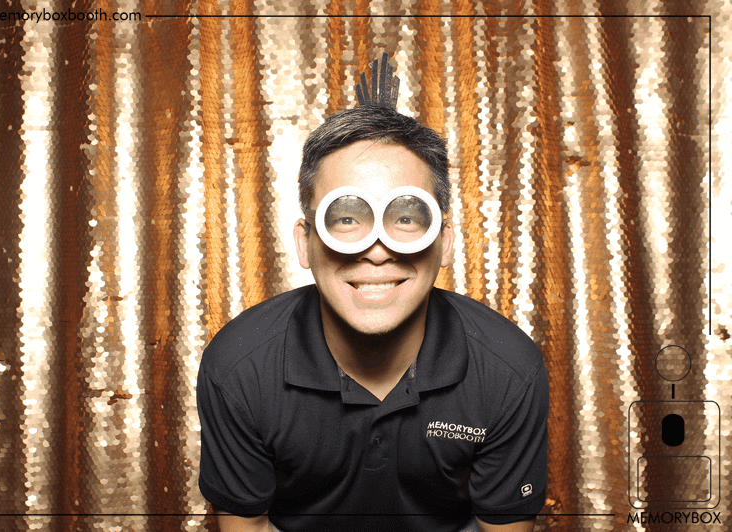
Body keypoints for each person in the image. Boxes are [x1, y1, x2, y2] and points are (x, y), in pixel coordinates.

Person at [197, 97, 548, 532]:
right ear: (305, 244)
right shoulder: (239, 369)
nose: (378, 251)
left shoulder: (508, 371)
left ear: (444, 242)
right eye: (346, 218)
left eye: (407, 217)